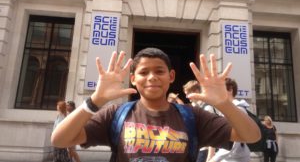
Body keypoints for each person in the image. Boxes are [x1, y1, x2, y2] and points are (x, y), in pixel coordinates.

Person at [51, 48, 261, 162]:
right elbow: (60, 139)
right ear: (133, 79)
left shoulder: (192, 116)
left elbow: (251, 136)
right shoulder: (117, 114)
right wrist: (95, 100)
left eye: (159, 71)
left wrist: (225, 104)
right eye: (143, 72)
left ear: (171, 77)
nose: (152, 77)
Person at [207, 78, 251, 162]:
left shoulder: (238, 110)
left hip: (235, 159)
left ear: (230, 89)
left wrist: (214, 159)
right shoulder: (228, 110)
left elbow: (234, 142)